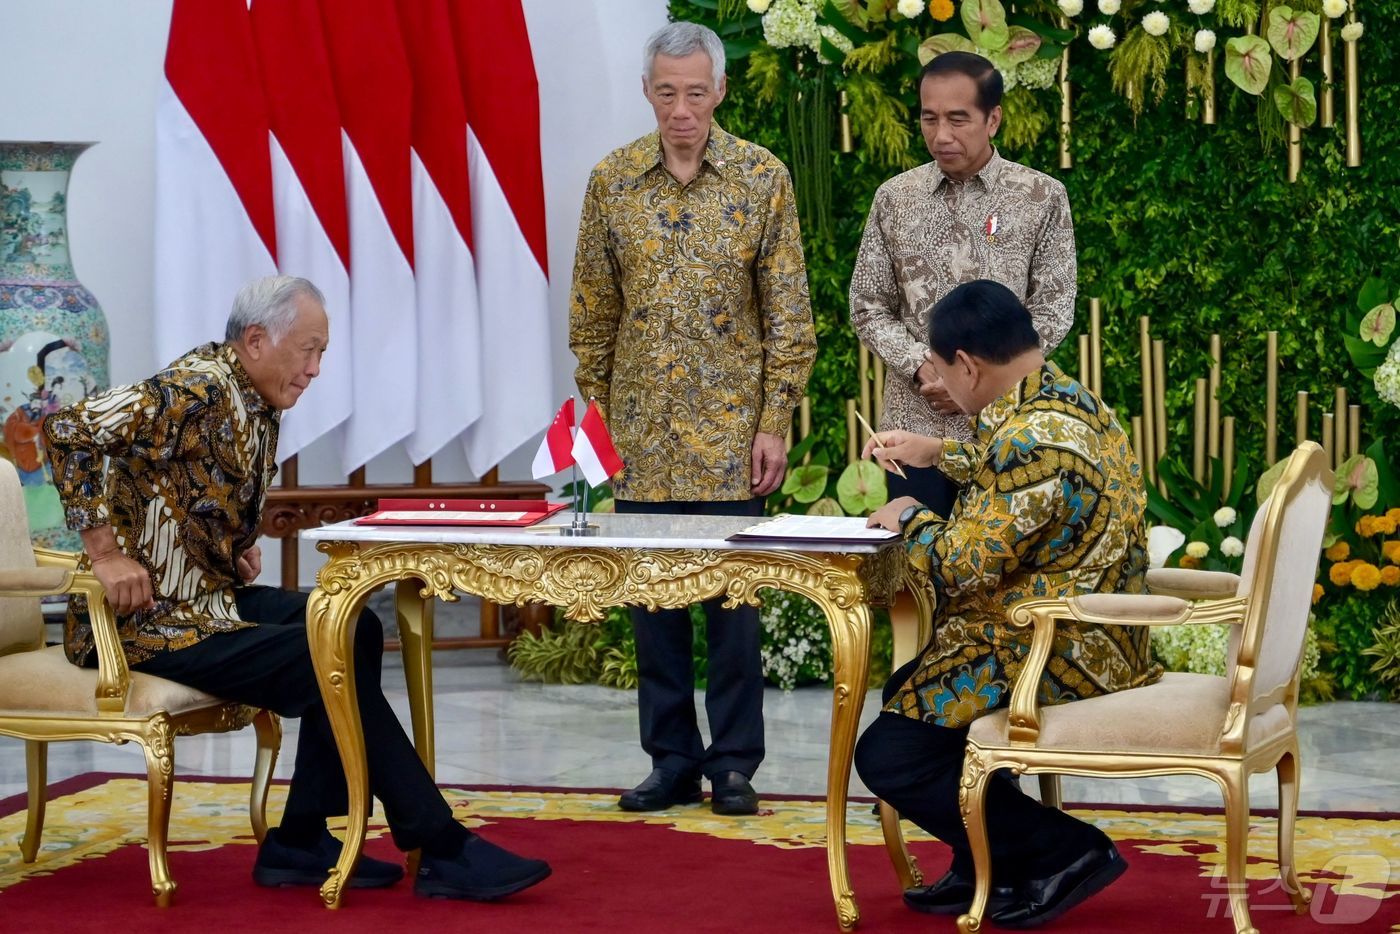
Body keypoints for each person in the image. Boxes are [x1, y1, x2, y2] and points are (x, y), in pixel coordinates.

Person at [42, 276, 550, 902]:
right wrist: (106, 553)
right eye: (307, 350)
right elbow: (68, 430)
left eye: (322, 354)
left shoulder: (256, 399)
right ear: (256, 340)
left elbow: (179, 489)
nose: (314, 369)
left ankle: (302, 839)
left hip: (209, 602)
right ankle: (439, 841)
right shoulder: (193, 389)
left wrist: (229, 545)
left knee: (352, 623)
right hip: (144, 623)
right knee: (319, 652)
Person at [854, 280, 1160, 928]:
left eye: (939, 373)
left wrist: (909, 513)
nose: (939, 389)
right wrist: (938, 452)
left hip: (1063, 644)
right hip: (1098, 625)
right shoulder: (1070, 401)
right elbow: (1024, 477)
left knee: (890, 753)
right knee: (914, 691)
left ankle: (1062, 853)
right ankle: (984, 863)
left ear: (967, 363)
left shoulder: (1027, 436)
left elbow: (960, 563)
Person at [568, 21, 816, 816]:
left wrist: (774, 419)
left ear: (720, 93)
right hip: (641, 439)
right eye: (667, 92)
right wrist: (597, 423)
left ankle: (735, 764)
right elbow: (592, 314)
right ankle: (670, 760)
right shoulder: (612, 182)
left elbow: (790, 316)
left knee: (734, 612)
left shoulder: (760, 178)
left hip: (731, 440)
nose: (682, 109)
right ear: (648, 92)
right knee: (654, 612)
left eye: (696, 93)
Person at [849, 51, 1076, 519]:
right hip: (913, 428)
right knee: (915, 574)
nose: (941, 135)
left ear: (993, 119)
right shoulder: (895, 198)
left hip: (1008, 431)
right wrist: (925, 368)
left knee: (998, 574)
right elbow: (868, 304)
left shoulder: (1041, 196)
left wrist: (978, 380)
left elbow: (1053, 309)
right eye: (929, 119)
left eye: (958, 119)